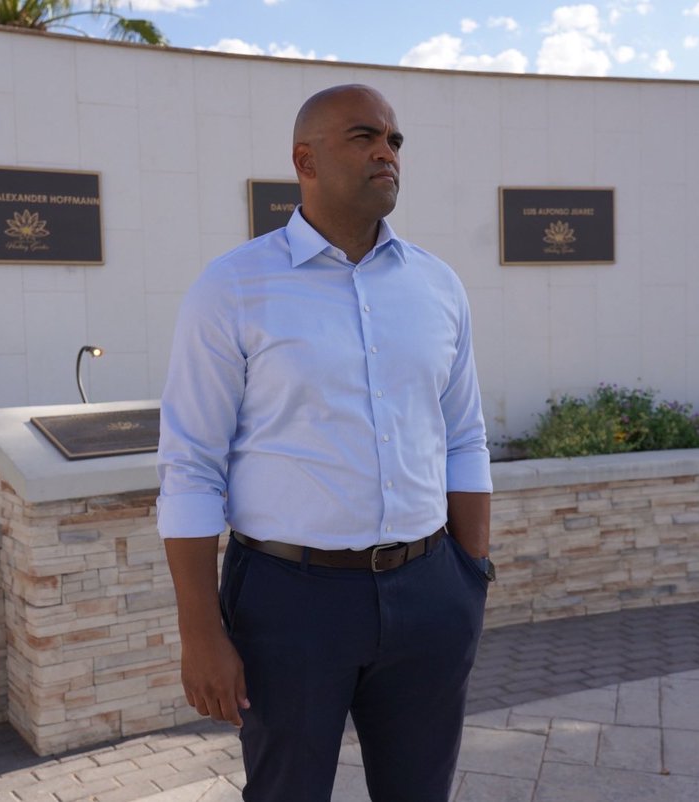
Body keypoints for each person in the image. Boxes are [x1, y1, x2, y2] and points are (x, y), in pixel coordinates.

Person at [156, 84, 494, 802]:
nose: (386, 152)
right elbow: (190, 467)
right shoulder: (233, 288)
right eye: (365, 136)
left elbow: (464, 436)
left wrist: (470, 575)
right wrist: (199, 630)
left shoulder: (438, 287)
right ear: (304, 160)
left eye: (395, 140)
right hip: (289, 602)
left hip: (430, 590)